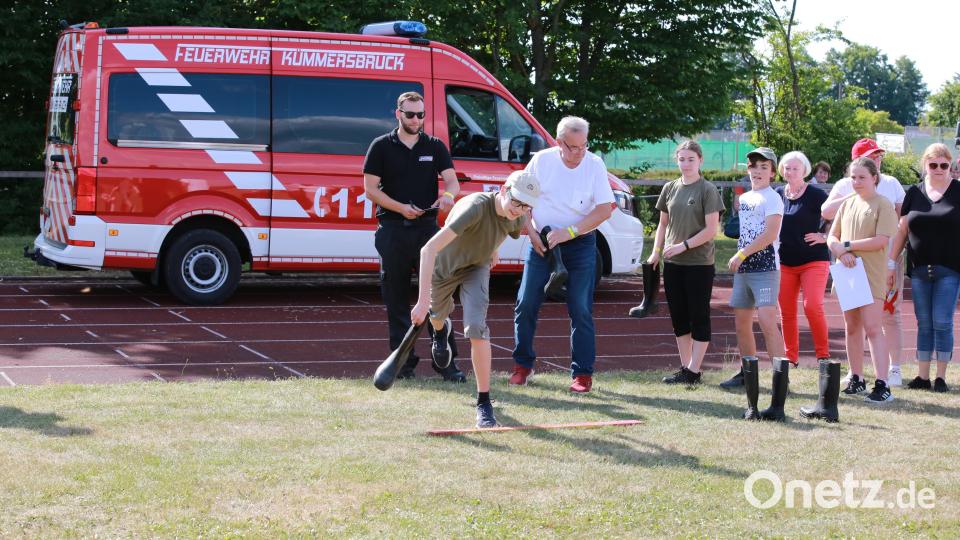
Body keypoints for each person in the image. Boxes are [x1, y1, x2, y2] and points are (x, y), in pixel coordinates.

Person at [411, 172, 539, 427]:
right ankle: (440, 330)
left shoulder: (517, 215)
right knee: (437, 318)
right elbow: (428, 249)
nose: (519, 209)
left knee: (477, 329)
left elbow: (502, 228)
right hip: (443, 269)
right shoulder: (474, 208)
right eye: (516, 201)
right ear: (503, 191)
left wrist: (493, 249)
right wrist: (422, 300)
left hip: (476, 268)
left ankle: (484, 402)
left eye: (526, 205)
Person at [363, 91, 464, 382]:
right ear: (398, 114)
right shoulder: (381, 146)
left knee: (437, 297)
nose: (416, 120)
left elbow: (453, 183)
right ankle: (403, 364)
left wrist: (446, 196)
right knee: (395, 299)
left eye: (421, 115)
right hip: (393, 230)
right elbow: (370, 189)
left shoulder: (434, 145)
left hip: (427, 232)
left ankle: (447, 364)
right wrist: (401, 208)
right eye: (410, 114)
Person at [510, 116, 615, 393]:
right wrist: (532, 235)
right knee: (526, 303)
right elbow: (521, 200)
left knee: (580, 308)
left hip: (580, 245)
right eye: (572, 147)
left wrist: (570, 232)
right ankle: (522, 366)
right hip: (542, 243)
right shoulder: (542, 161)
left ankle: (582, 374)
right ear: (558, 142)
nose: (578, 153)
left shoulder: (594, 164)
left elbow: (605, 209)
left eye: (583, 147)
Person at [821, 138, 906, 386]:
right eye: (854, 177)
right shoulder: (847, 203)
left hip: (872, 273)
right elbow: (832, 235)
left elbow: (880, 240)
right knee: (852, 327)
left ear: (874, 178)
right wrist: (840, 251)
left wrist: (847, 246)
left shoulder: (883, 204)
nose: (857, 182)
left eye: (862, 177)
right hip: (848, 273)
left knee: (872, 327)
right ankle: (856, 376)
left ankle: (881, 383)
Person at [642, 141, 724, 384]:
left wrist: (682, 246)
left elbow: (711, 230)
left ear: (700, 160)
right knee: (679, 317)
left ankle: (694, 370)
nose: (686, 164)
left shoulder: (707, 190)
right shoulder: (669, 188)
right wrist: (656, 252)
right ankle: (686, 368)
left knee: (699, 316)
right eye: (682, 159)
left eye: (691, 159)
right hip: (673, 265)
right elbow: (662, 225)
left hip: (699, 264)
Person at [720, 148, 789, 422]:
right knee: (741, 324)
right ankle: (748, 377)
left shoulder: (773, 198)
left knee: (767, 321)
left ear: (773, 171)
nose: (757, 171)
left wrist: (740, 254)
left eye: (764, 166)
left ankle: (779, 380)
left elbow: (770, 233)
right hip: (744, 269)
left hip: (765, 268)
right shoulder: (746, 198)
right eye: (753, 166)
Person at [889, 144, 960, 392]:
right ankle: (922, 376)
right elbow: (901, 231)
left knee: (942, 320)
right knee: (923, 321)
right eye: (933, 164)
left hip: (951, 269)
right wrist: (891, 262)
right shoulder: (914, 194)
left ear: (950, 166)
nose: (939, 169)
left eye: (944, 165)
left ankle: (940, 377)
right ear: (925, 166)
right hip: (919, 269)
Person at [775, 151, 831, 366]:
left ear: (805, 170)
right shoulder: (778, 193)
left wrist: (824, 236)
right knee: (787, 312)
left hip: (813, 260)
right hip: (784, 262)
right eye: (787, 168)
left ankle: (823, 355)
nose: (790, 172)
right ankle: (791, 358)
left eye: (795, 168)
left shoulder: (816, 195)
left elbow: (836, 218)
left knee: (812, 306)